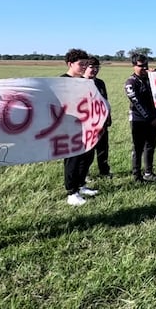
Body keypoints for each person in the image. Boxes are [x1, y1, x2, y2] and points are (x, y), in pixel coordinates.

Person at [61, 49, 99, 206]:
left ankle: (81, 185)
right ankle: (71, 192)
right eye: (81, 64)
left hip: (87, 126)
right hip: (71, 128)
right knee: (73, 159)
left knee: (87, 157)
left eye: (86, 64)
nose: (84, 67)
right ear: (70, 64)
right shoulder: (62, 81)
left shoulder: (85, 81)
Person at [124, 53, 156, 182]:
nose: (144, 68)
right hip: (139, 120)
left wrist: (155, 75)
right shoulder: (131, 82)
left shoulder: (149, 79)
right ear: (134, 66)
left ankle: (148, 172)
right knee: (138, 148)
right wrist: (151, 119)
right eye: (141, 66)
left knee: (150, 146)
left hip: (154, 119)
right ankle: (137, 175)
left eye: (146, 66)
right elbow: (137, 102)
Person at [83, 56, 113, 179]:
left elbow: (105, 101)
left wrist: (108, 117)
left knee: (103, 149)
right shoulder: (78, 82)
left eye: (97, 67)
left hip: (102, 122)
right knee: (87, 151)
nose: (95, 70)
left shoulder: (100, 83)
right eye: (92, 67)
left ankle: (104, 172)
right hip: (87, 124)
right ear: (84, 67)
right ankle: (84, 174)